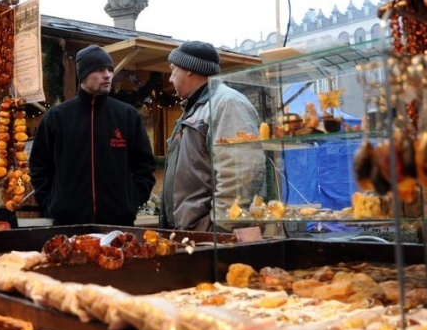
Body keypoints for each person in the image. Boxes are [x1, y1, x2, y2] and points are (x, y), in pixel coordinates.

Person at [30, 44, 157, 227]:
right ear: (83, 74)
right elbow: (39, 166)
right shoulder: (57, 117)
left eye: (110, 69)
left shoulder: (127, 115)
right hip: (68, 225)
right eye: (99, 69)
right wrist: (53, 203)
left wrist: (131, 201)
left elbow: (145, 165)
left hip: (118, 225)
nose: (107, 75)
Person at [160, 41, 263, 231]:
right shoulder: (194, 108)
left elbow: (239, 173)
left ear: (188, 70)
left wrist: (221, 227)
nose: (170, 79)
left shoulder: (227, 103)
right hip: (192, 231)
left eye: (173, 70)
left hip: (210, 234)